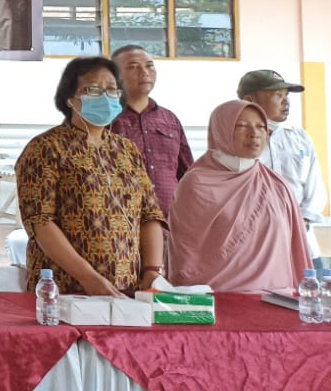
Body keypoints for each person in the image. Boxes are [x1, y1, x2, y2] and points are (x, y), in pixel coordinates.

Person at [16, 56, 166, 296]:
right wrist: (88, 278)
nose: (105, 97)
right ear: (69, 98)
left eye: (112, 90)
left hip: (127, 288)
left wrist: (151, 270)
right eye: (93, 90)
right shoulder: (46, 148)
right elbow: (40, 221)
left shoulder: (126, 150)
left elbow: (150, 214)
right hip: (64, 289)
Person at [167, 100, 310, 293]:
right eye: (241, 126)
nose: (254, 134)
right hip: (215, 301)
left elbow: (294, 251)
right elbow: (186, 254)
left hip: (274, 299)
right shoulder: (197, 184)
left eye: (261, 127)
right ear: (221, 131)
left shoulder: (277, 186)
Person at [238, 69, 328, 237]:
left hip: (300, 234)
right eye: (278, 95)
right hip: (254, 238)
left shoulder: (300, 137)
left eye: (286, 95)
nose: (286, 101)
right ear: (250, 100)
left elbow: (316, 187)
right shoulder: (234, 140)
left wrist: (303, 220)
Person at [108, 44, 194, 220]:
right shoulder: (104, 120)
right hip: (121, 224)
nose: (144, 72)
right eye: (133, 67)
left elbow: (188, 175)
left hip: (170, 223)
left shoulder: (169, 119)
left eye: (149, 66)